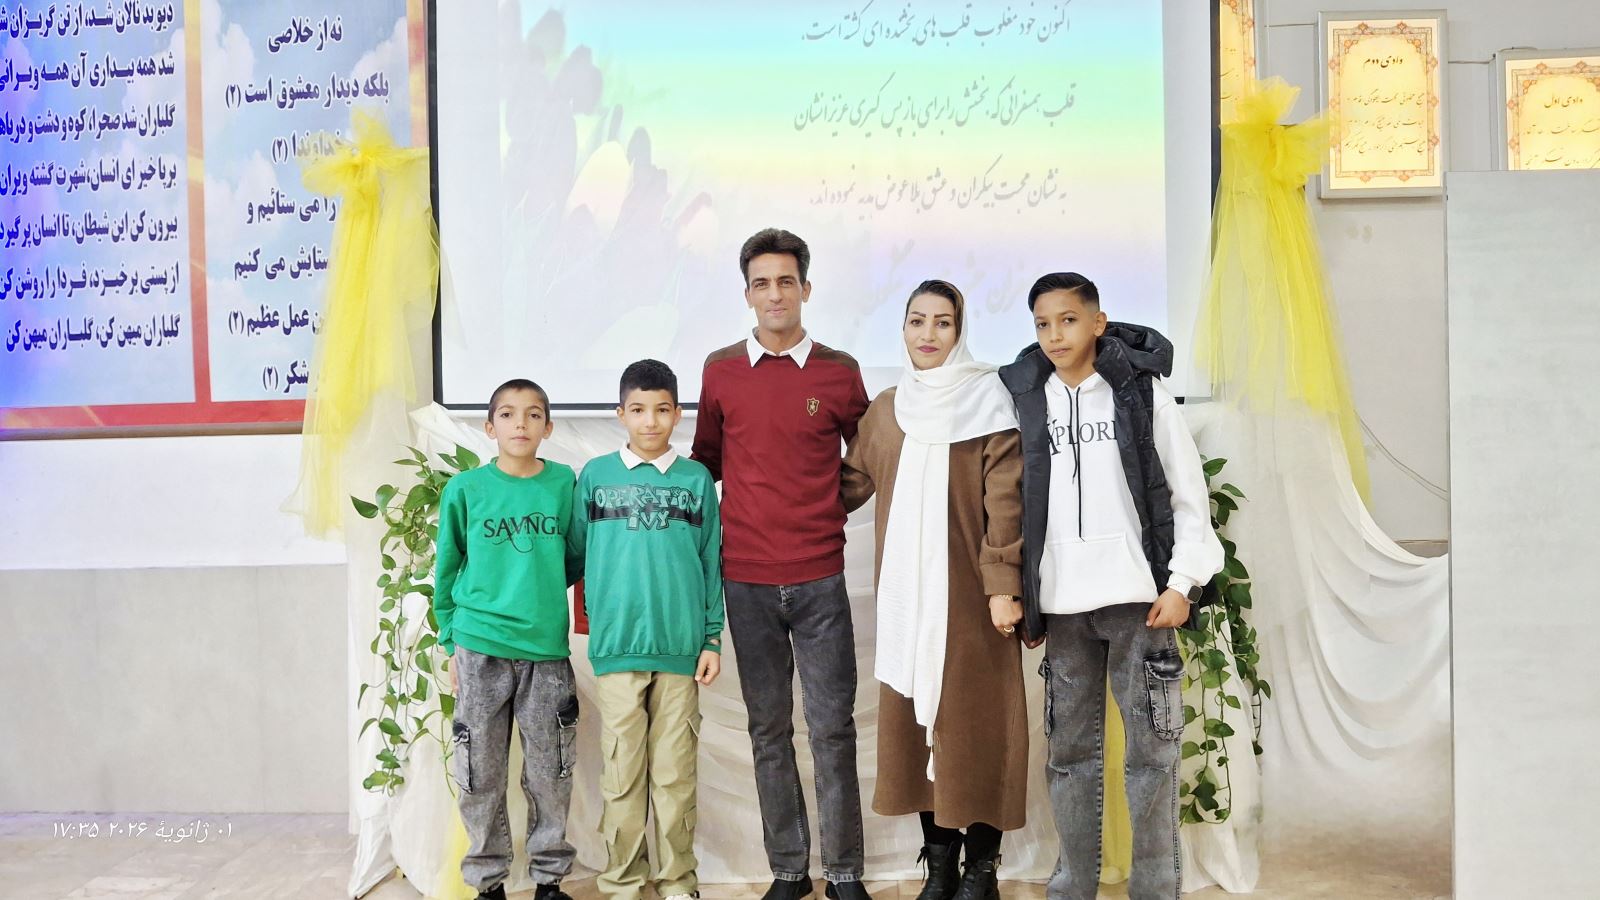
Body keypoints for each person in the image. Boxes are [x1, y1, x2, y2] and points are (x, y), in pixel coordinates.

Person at [997, 273, 1223, 900]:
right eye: (1042, 324)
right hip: (1063, 609)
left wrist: (1183, 582)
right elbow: (1013, 502)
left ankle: (1155, 889)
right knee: (1069, 759)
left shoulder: (1141, 395)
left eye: (1068, 320)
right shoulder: (1027, 400)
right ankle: (1073, 885)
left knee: (1152, 756)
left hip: (1139, 605)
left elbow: (1187, 493)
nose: (1055, 335)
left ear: (1097, 322)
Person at [690, 228, 871, 900]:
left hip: (821, 576)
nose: (774, 294)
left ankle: (845, 874)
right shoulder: (720, 371)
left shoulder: (838, 371)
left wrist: (827, 504)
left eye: (786, 282)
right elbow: (707, 464)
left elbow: (869, 456)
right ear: (747, 294)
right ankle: (789, 873)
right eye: (761, 283)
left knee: (832, 729)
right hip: (746, 581)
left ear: (806, 289)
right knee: (769, 730)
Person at [841, 280, 1028, 900]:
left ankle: (982, 869)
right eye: (916, 321)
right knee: (915, 722)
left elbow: (1005, 506)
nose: (927, 334)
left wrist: (1002, 587)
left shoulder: (990, 402)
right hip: (907, 603)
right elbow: (847, 486)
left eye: (942, 323)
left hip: (974, 601)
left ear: (960, 330)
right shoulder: (887, 409)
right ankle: (941, 864)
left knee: (978, 726)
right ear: (902, 328)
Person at [571, 359, 724, 900]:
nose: (650, 421)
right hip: (617, 649)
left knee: (675, 776)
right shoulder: (595, 477)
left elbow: (711, 562)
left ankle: (678, 881)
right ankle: (624, 883)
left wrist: (711, 638)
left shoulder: (696, 480)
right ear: (621, 414)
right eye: (638, 410)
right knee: (621, 774)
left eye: (661, 410)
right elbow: (575, 556)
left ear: (678, 414)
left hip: (681, 650)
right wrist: (588, 626)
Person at [434, 378, 582, 900]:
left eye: (533, 414)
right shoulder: (466, 490)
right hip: (479, 647)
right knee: (479, 771)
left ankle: (549, 881)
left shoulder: (564, 484)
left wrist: (537, 592)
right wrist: (450, 642)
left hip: (545, 652)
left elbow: (575, 557)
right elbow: (447, 568)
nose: (521, 424)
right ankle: (488, 883)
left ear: (548, 427)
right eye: (508, 414)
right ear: (489, 426)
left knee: (550, 771)